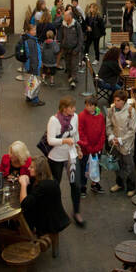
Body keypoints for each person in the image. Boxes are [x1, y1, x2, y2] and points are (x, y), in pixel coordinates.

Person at [46, 96, 84, 226]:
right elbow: (50, 140)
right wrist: (64, 141)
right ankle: (56, 211)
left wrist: (78, 148)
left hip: (71, 154)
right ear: (64, 108)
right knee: (56, 186)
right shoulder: (54, 120)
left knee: (76, 184)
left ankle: (77, 211)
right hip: (56, 156)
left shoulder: (75, 117)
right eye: (72, 107)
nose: (75, 109)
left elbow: (76, 134)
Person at [17, 157, 71, 237]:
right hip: (52, 216)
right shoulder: (49, 180)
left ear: (39, 170)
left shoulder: (43, 186)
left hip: (50, 223)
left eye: (31, 167)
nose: (28, 168)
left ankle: (26, 238)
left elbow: (24, 203)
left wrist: (23, 184)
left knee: (21, 215)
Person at [105, 89, 136, 196]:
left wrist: (121, 139)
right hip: (115, 143)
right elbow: (109, 125)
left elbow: (132, 129)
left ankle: (132, 187)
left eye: (118, 100)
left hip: (126, 144)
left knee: (129, 166)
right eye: (115, 100)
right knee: (117, 165)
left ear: (124, 101)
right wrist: (111, 136)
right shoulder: (111, 110)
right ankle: (119, 184)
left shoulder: (130, 111)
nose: (116, 103)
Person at [79, 97, 107, 195]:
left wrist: (99, 146)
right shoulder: (82, 116)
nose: (88, 107)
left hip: (97, 149)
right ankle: (83, 186)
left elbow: (103, 132)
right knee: (84, 167)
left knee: (96, 166)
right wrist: (88, 147)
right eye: (86, 105)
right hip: (85, 149)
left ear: (95, 106)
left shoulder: (100, 116)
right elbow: (81, 132)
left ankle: (95, 183)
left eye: (90, 105)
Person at [56, 8, 85, 91]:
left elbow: (80, 38)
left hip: (75, 49)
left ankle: (73, 81)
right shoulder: (63, 25)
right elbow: (60, 36)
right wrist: (61, 44)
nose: (64, 17)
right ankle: (70, 77)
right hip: (66, 49)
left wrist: (78, 48)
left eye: (65, 15)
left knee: (74, 65)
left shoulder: (76, 25)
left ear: (70, 16)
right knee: (68, 65)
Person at [19, 22, 45, 106]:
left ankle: (29, 96)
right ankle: (35, 100)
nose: (35, 31)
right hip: (33, 65)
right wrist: (37, 65)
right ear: (29, 31)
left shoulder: (28, 39)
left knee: (30, 82)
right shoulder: (31, 41)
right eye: (33, 30)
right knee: (34, 83)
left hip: (29, 65)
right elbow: (34, 55)